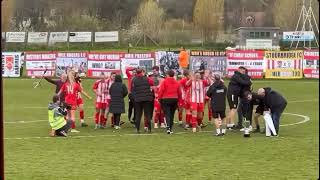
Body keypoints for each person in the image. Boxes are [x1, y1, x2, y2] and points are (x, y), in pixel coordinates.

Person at [131, 68, 154, 134]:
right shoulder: (147, 78)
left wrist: (135, 97)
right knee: (147, 114)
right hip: (147, 99)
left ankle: (137, 129)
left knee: (138, 114)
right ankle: (149, 129)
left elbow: (132, 89)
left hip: (138, 99)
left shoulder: (134, 79)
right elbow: (152, 84)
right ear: (142, 72)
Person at [158, 70, 181, 134]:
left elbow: (161, 90)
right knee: (172, 114)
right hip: (174, 99)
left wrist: (159, 98)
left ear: (168, 75)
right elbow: (179, 92)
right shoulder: (176, 82)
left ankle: (168, 127)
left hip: (166, 99)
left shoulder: (164, 81)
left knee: (167, 114)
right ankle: (170, 128)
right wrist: (179, 100)